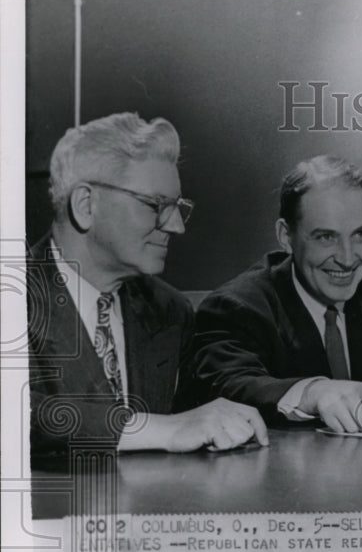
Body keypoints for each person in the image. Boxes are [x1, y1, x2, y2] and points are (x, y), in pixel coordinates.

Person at [27, 113, 268, 454]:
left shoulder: (170, 311)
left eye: (177, 207)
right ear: (85, 205)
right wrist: (163, 430)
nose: (176, 226)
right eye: (157, 205)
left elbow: (200, 414)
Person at [190, 155, 362, 434]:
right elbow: (228, 385)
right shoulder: (237, 307)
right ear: (285, 236)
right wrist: (313, 392)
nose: (348, 259)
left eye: (360, 234)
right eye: (327, 237)